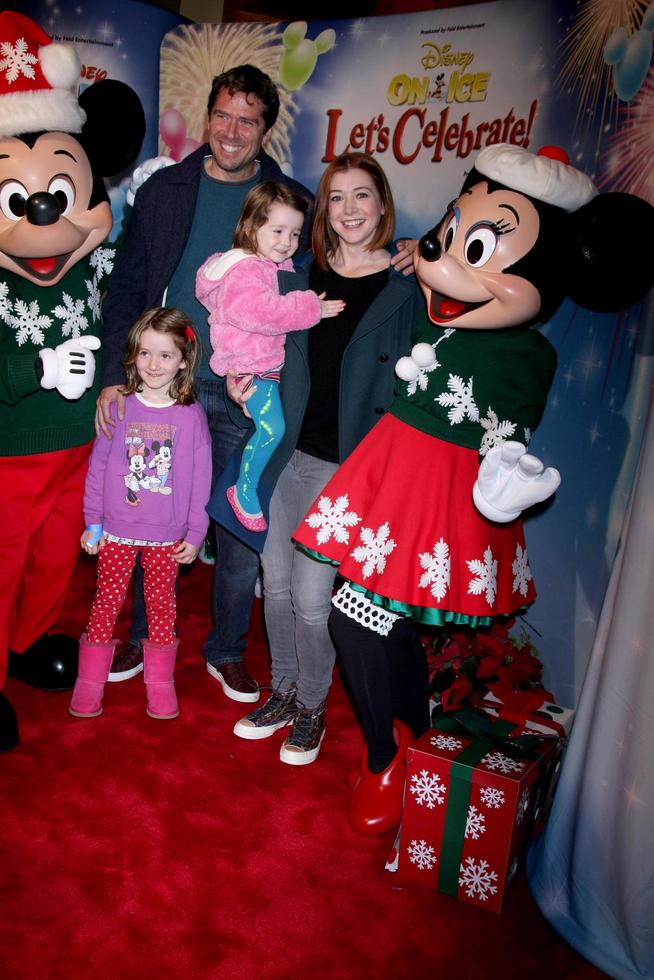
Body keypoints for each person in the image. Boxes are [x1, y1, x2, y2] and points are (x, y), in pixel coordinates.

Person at [293, 143, 654, 834]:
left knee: (353, 619)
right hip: (388, 475)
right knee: (382, 625)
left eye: (481, 247)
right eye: (453, 238)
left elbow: (506, 440)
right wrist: (403, 254)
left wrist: (507, 488)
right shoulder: (428, 310)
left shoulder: (530, 354)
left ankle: (382, 756)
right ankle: (405, 738)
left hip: (440, 498)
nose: (450, 261)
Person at [95, 64, 314, 703]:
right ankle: (138, 634)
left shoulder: (290, 199)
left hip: (251, 390)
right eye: (223, 115)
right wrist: (116, 376)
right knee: (148, 507)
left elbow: (316, 285)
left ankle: (225, 650)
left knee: (240, 523)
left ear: (265, 128)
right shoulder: (165, 190)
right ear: (207, 118)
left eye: (248, 120)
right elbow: (128, 287)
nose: (232, 131)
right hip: (169, 384)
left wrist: (399, 256)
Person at [218, 152, 419, 766]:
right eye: (336, 197)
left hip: (347, 466)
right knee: (273, 587)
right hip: (285, 450)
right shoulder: (295, 275)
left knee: (311, 597)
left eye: (363, 195)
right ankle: (282, 689)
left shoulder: (406, 287)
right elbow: (254, 336)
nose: (350, 209)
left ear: (382, 205)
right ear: (323, 211)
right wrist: (239, 381)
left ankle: (312, 703)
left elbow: (418, 384)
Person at [70, 307, 211, 721]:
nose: (153, 364)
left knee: (161, 607)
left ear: (183, 360)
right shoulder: (119, 407)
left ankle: (160, 684)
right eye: (145, 353)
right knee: (105, 604)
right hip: (115, 530)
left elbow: (200, 478)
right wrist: (93, 522)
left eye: (165, 355)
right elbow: (98, 469)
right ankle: (89, 683)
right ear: (132, 355)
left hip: (167, 535)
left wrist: (196, 532)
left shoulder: (190, 417)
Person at [196, 182, 345, 532]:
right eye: (277, 231)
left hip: (259, 366)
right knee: (273, 428)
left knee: (270, 428)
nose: (286, 241)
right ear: (251, 227)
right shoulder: (247, 269)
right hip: (251, 366)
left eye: (294, 233)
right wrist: (310, 306)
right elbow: (257, 311)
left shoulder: (269, 266)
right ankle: (243, 490)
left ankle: (241, 489)